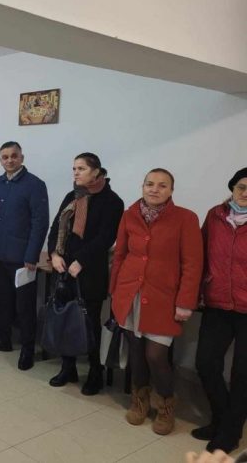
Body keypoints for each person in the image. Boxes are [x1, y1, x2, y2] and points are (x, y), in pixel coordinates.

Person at [110, 168, 203, 435]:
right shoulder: (129, 215)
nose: (154, 189)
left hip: (164, 298)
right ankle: (139, 400)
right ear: (142, 186)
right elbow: (120, 255)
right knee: (136, 352)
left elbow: (193, 264)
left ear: (171, 190)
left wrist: (185, 301)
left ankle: (165, 404)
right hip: (130, 293)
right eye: (149, 184)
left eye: (162, 185)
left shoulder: (186, 218)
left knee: (156, 355)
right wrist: (114, 290)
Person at [46, 153, 124, 395]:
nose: (76, 173)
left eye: (81, 168)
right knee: (66, 319)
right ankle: (67, 367)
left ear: (96, 171)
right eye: (74, 168)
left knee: (89, 323)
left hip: (90, 271)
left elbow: (106, 237)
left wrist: (81, 260)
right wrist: (54, 254)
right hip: (64, 268)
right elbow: (56, 227)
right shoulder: (72, 196)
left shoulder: (112, 201)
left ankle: (94, 372)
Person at [0, 141, 49, 370]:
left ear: (21, 158)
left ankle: (27, 349)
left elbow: (40, 224)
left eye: (14, 156)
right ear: (0, 160)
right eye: (5, 157)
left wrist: (32, 256)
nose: (9, 160)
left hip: (21, 258)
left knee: (25, 306)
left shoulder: (34, 185)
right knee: (4, 301)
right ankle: (2, 338)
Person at [193, 167, 247, 453]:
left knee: (242, 374)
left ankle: (230, 432)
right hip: (217, 303)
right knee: (206, 363)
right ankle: (222, 419)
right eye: (242, 187)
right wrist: (197, 292)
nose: (246, 193)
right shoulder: (215, 216)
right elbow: (200, 255)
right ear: (233, 188)